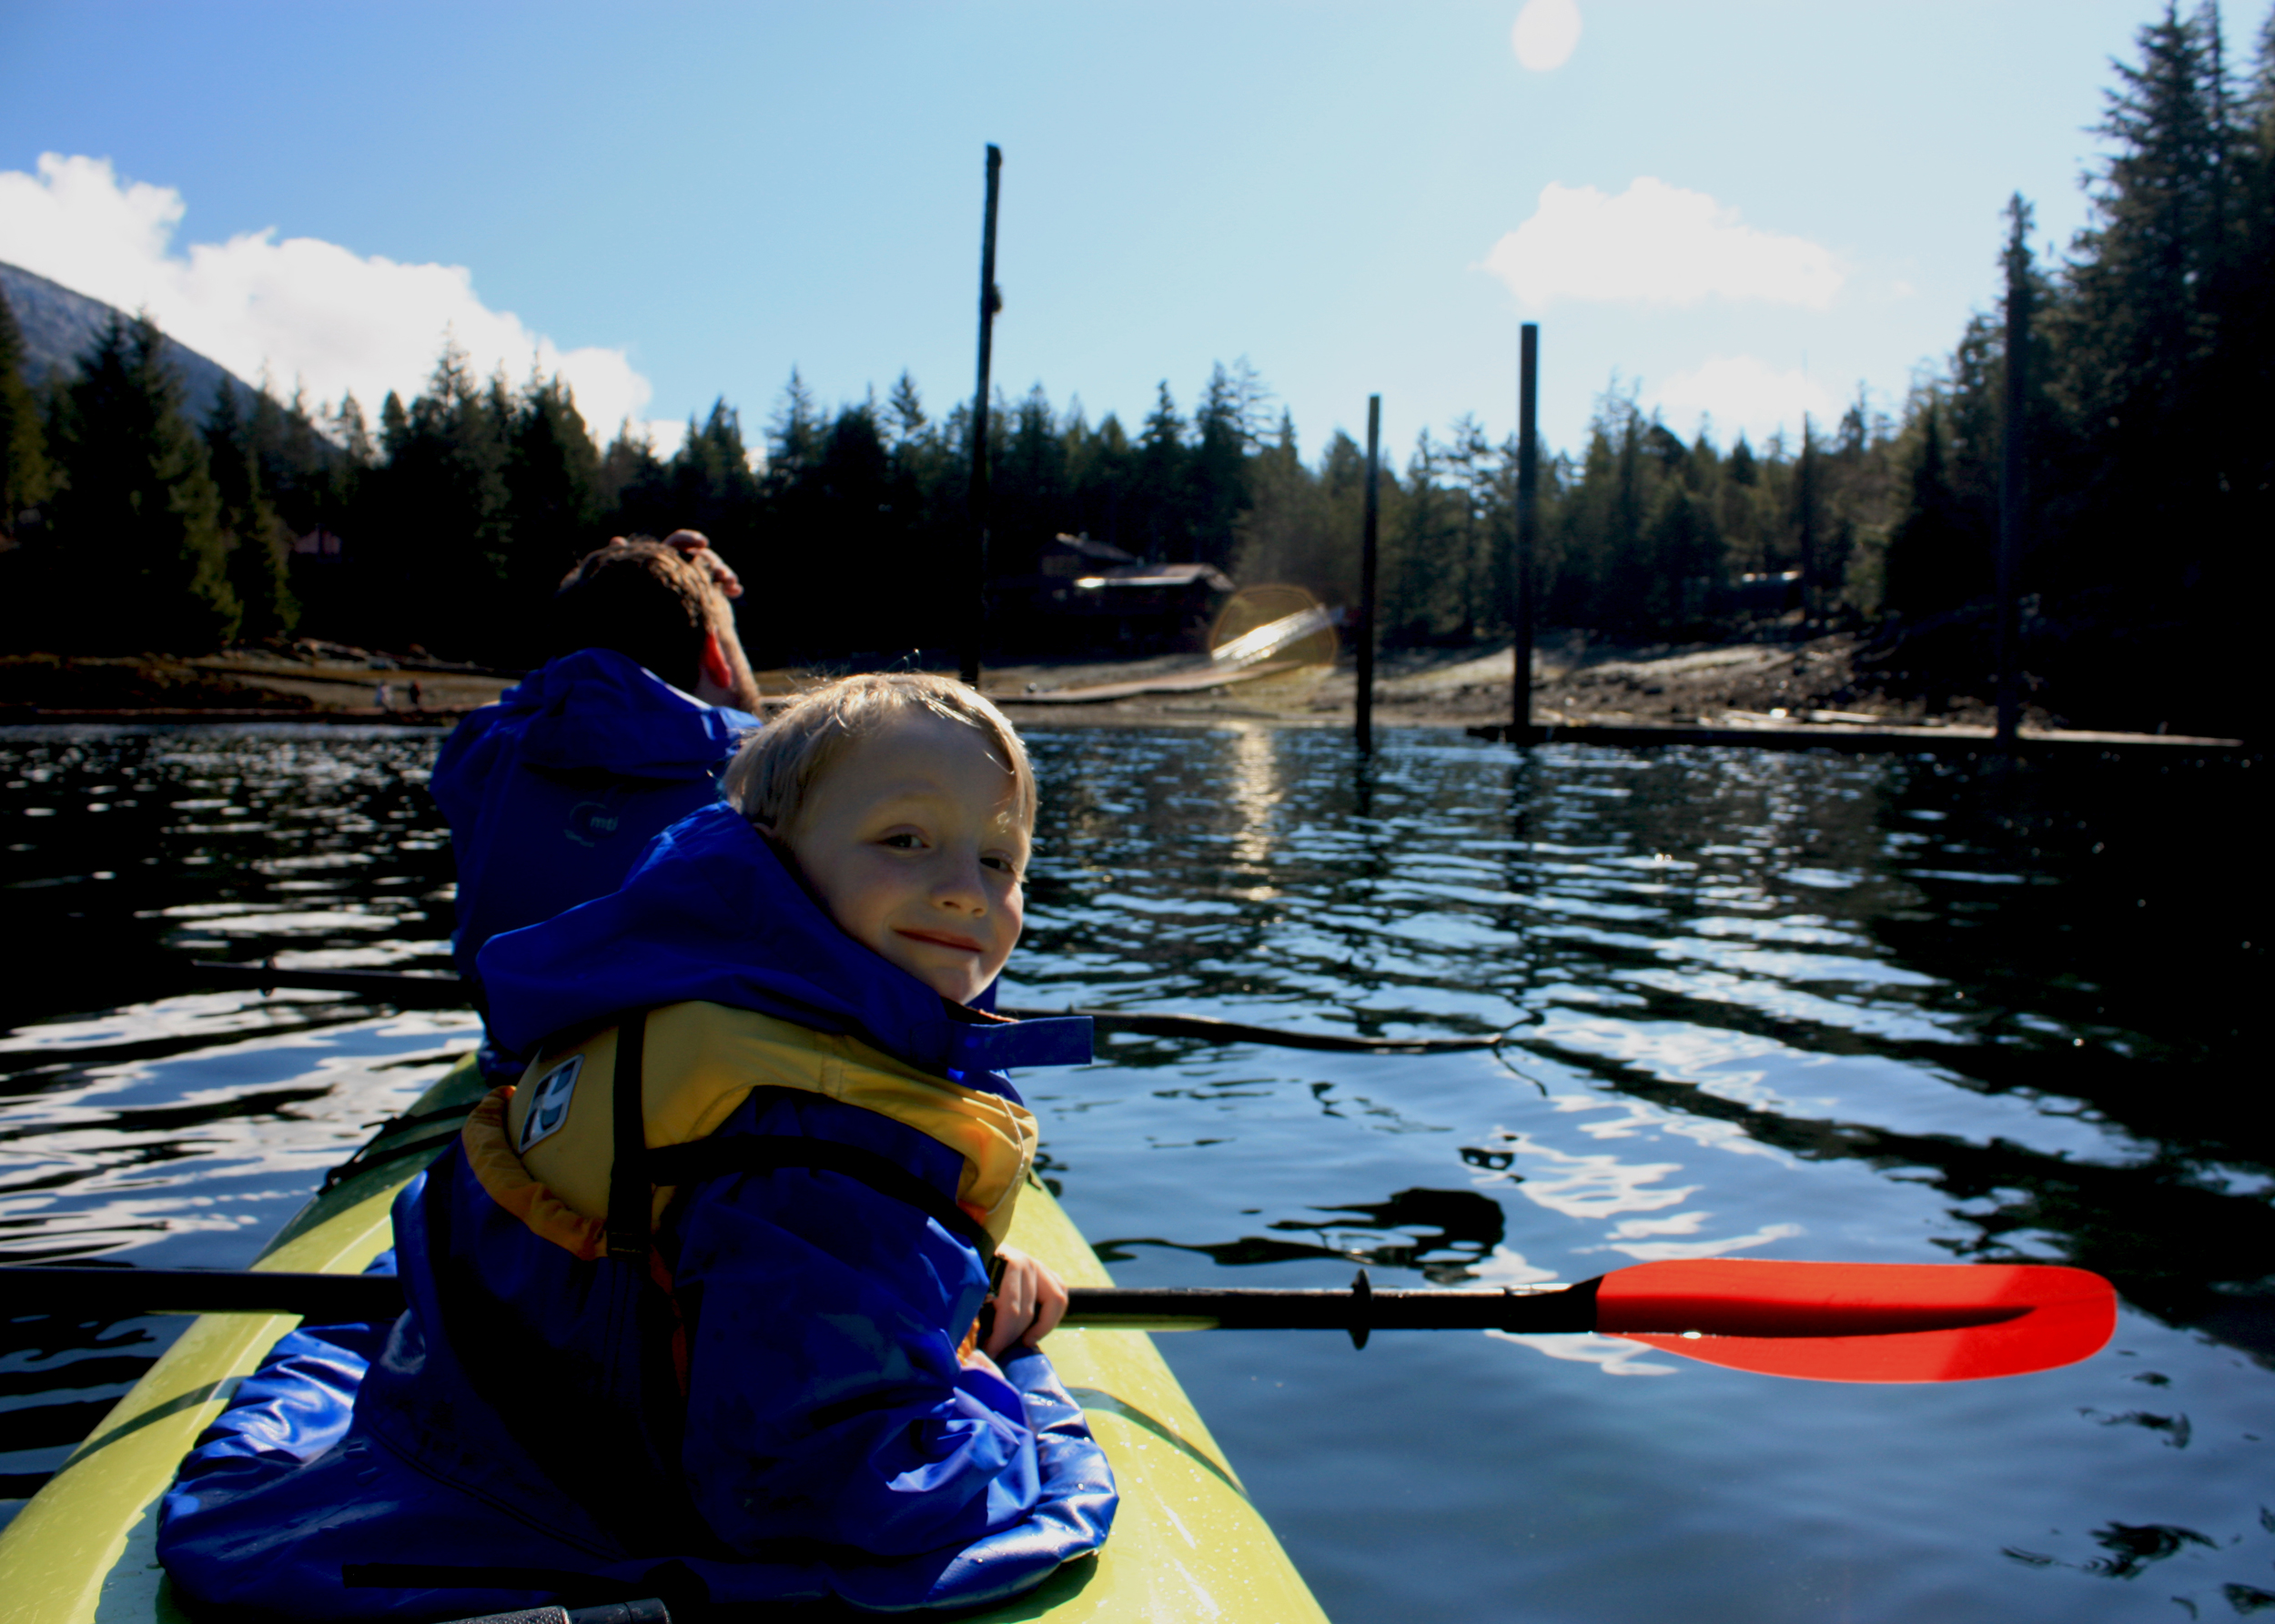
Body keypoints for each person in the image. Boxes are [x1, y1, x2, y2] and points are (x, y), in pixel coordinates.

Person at [157, 674, 1116, 1619]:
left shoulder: (689, 1004)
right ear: (773, 856)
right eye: (903, 841)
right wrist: (986, 1376)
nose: (963, 892)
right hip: (583, 1504)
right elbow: (852, 1493)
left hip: (488, 1423)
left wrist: (940, 1264)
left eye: (999, 859)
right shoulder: (812, 1142)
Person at [431, 539, 763, 1078]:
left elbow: (560, 692)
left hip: (523, 1052)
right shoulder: (758, 768)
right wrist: (715, 618)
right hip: (673, 1075)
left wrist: (613, 585)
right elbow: (749, 722)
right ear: (714, 656)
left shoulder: (484, 746)